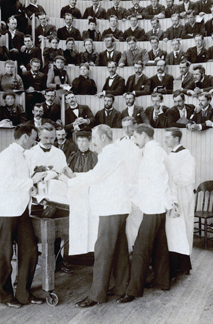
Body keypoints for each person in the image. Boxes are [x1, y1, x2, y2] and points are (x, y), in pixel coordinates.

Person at [70, 125, 135, 307]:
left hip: (111, 209)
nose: (92, 141)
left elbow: (95, 177)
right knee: (120, 251)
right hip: (117, 208)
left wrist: (69, 180)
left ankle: (96, 295)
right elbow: (97, 175)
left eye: (94, 137)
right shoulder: (112, 152)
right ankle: (122, 288)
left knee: (103, 251)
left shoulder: (110, 153)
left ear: (104, 138)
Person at [0, 123, 48, 308]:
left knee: (30, 250)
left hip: (22, 209)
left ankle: (24, 293)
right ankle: (4, 295)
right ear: (24, 137)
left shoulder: (23, 155)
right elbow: (7, 184)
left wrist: (32, 185)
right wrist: (31, 180)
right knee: (4, 254)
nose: (35, 142)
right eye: (33, 138)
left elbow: (20, 182)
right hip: (6, 211)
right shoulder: (6, 156)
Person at [117, 124, 174, 303]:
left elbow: (155, 182)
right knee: (160, 245)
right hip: (157, 207)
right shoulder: (154, 151)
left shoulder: (153, 153)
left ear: (143, 135)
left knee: (141, 249)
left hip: (152, 207)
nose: (133, 140)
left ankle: (133, 290)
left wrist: (132, 193)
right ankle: (163, 281)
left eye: (135, 136)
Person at [163, 128, 195, 279]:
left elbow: (187, 177)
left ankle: (183, 265)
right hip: (174, 195)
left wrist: (169, 179)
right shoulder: (172, 154)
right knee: (174, 232)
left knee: (181, 230)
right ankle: (176, 264)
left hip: (182, 196)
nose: (165, 141)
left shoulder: (185, 155)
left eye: (168, 138)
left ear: (176, 138)